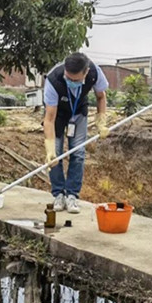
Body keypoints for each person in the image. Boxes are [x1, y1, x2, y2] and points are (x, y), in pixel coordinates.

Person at [43, 52, 108, 214]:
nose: (71, 82)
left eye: (76, 80)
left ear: (85, 73)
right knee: (55, 156)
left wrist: (101, 121)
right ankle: (58, 194)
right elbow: (49, 119)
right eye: (68, 78)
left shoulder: (95, 73)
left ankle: (72, 195)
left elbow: (101, 96)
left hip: (78, 112)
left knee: (78, 153)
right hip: (57, 114)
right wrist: (49, 148)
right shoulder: (53, 79)